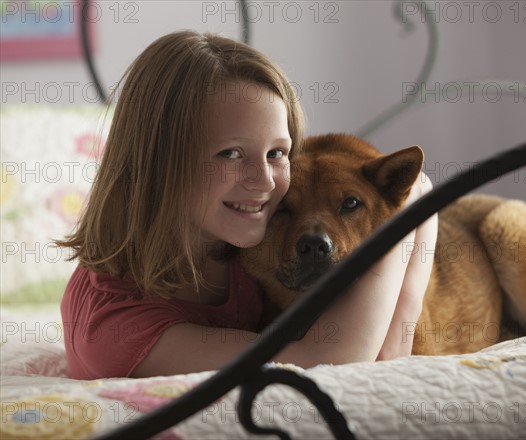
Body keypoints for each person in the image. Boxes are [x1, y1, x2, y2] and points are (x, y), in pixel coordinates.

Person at [57, 31, 437, 380]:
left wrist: (407, 307)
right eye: (231, 153)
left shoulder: (244, 234)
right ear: (158, 163)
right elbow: (324, 362)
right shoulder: (113, 327)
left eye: (277, 152)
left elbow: (420, 184)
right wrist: (405, 216)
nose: (265, 180)